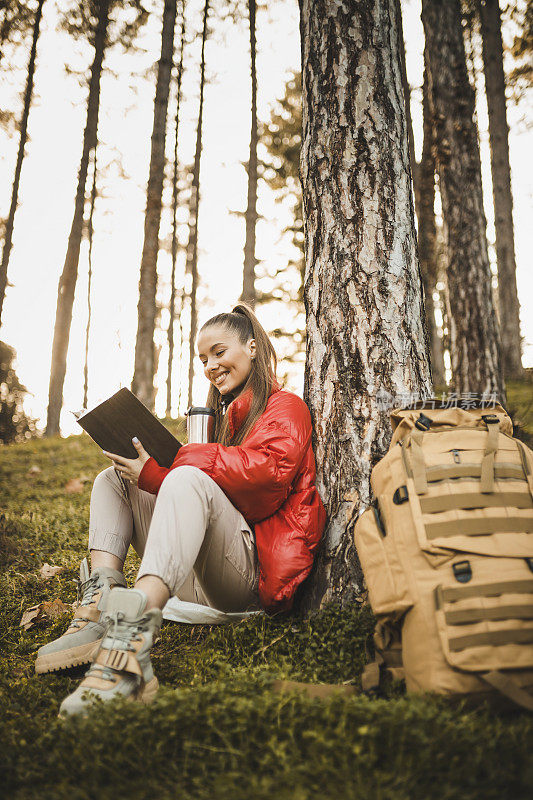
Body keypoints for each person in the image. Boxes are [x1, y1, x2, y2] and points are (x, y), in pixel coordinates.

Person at [35, 303, 326, 716]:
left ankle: (129, 647)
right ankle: (99, 609)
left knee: (185, 478)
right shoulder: (223, 419)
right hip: (201, 575)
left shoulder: (286, 407)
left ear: (253, 346)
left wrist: (169, 470)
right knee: (112, 479)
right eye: (204, 359)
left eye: (220, 352)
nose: (211, 365)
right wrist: (154, 471)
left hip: (249, 578)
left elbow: (265, 486)